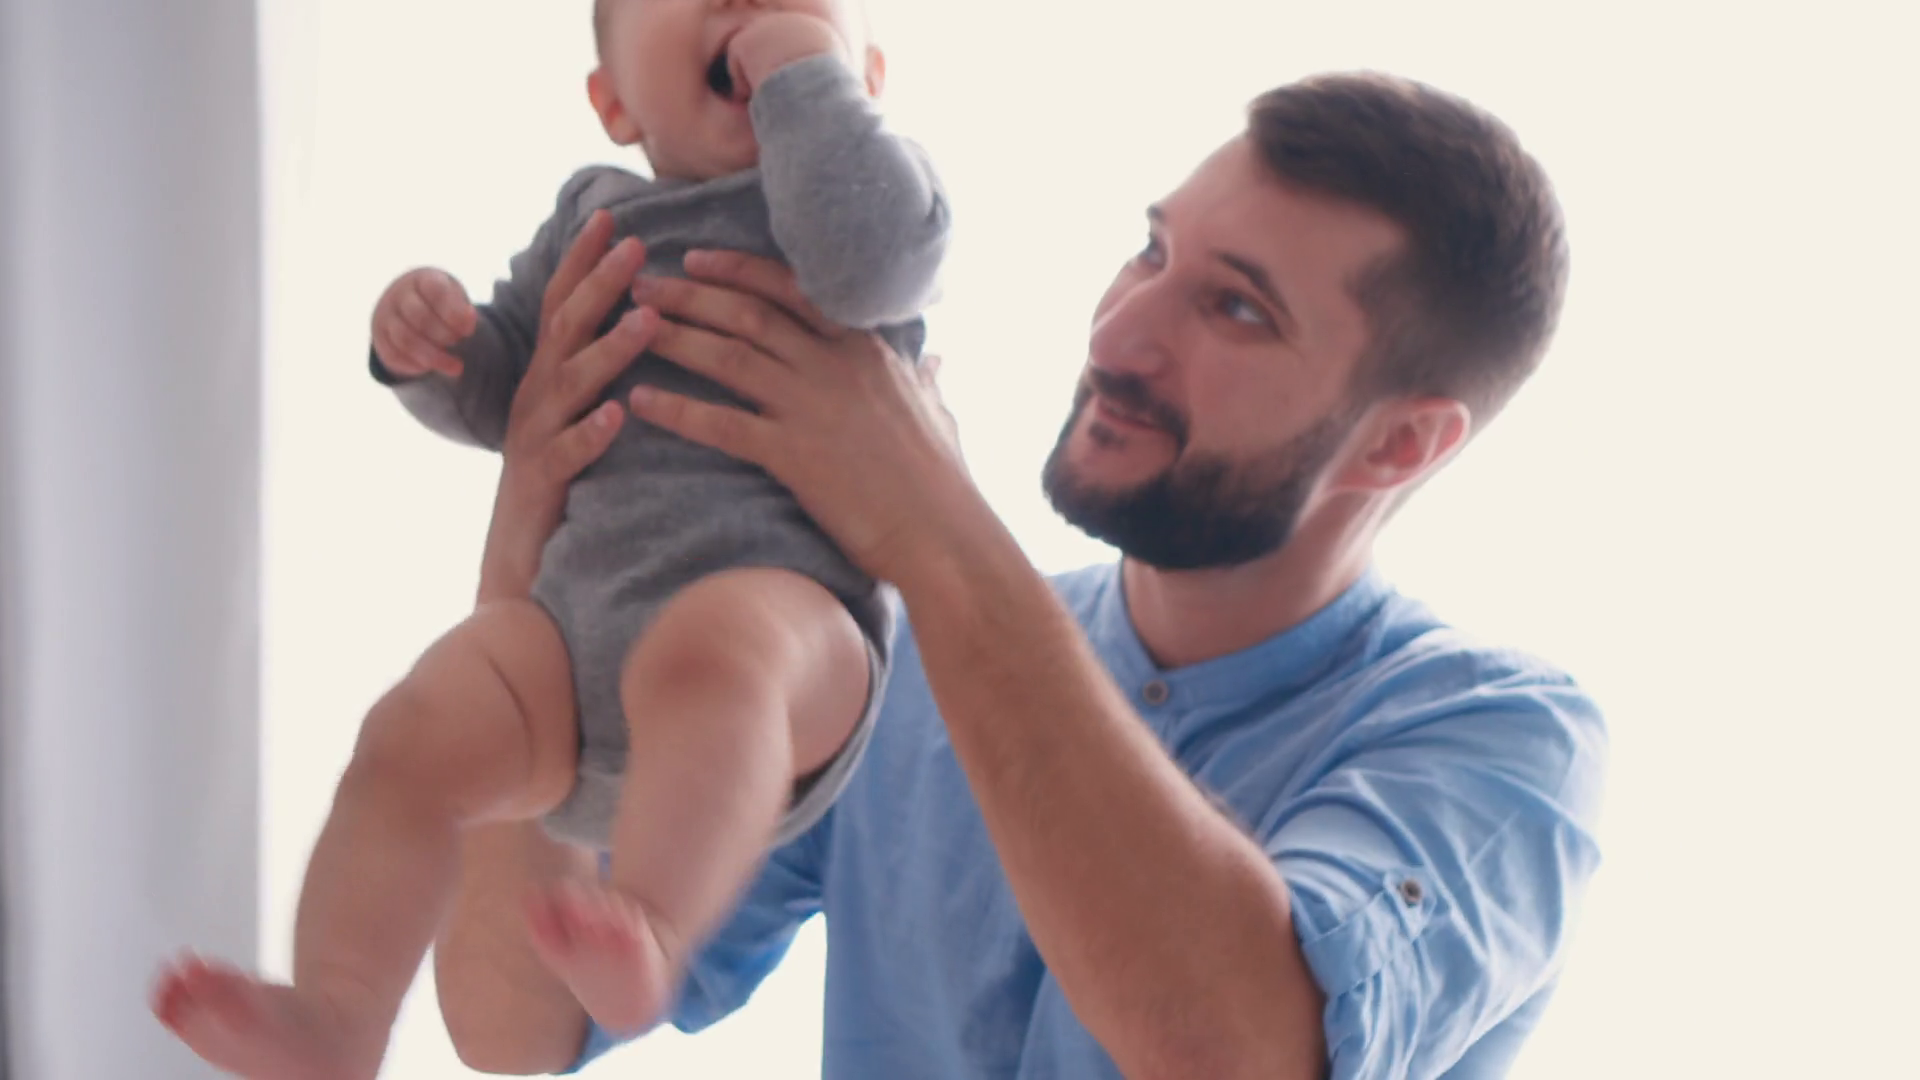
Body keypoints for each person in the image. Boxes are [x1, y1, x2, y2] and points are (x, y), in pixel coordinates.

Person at [423, 69, 1609, 1080]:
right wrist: (537, 533)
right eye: (1151, 250)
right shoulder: (886, 651)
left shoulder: (1504, 739)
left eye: (1236, 309)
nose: (1117, 338)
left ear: (1403, 443)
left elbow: (1234, 1050)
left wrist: (932, 529)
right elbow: (521, 1020)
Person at [151, 0, 948, 1075]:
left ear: (869, 76)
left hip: (786, 636)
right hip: (569, 660)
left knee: (716, 652)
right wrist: (437, 348)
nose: (746, 6)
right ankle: (339, 1015)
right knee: (413, 728)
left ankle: (652, 924)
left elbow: (873, 265)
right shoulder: (594, 218)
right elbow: (511, 393)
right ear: (615, 107)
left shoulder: (869, 208)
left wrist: (811, 86)